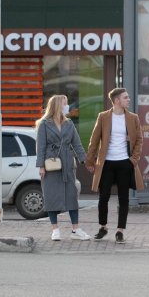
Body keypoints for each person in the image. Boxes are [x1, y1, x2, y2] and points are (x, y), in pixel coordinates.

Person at [85, 88, 144, 244]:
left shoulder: (133, 118)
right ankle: (103, 227)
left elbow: (139, 139)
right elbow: (94, 140)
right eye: (125, 97)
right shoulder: (103, 116)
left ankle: (120, 231)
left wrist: (133, 160)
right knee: (103, 197)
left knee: (124, 198)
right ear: (117, 100)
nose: (128, 100)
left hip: (125, 163)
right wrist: (90, 161)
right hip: (107, 163)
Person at [36, 94, 89, 241]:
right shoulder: (44, 124)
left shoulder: (69, 123)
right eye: (65, 104)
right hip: (51, 164)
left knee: (71, 196)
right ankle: (55, 230)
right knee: (51, 196)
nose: (67, 106)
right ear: (58, 105)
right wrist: (41, 166)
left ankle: (76, 229)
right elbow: (40, 147)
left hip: (67, 163)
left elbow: (76, 143)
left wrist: (84, 160)